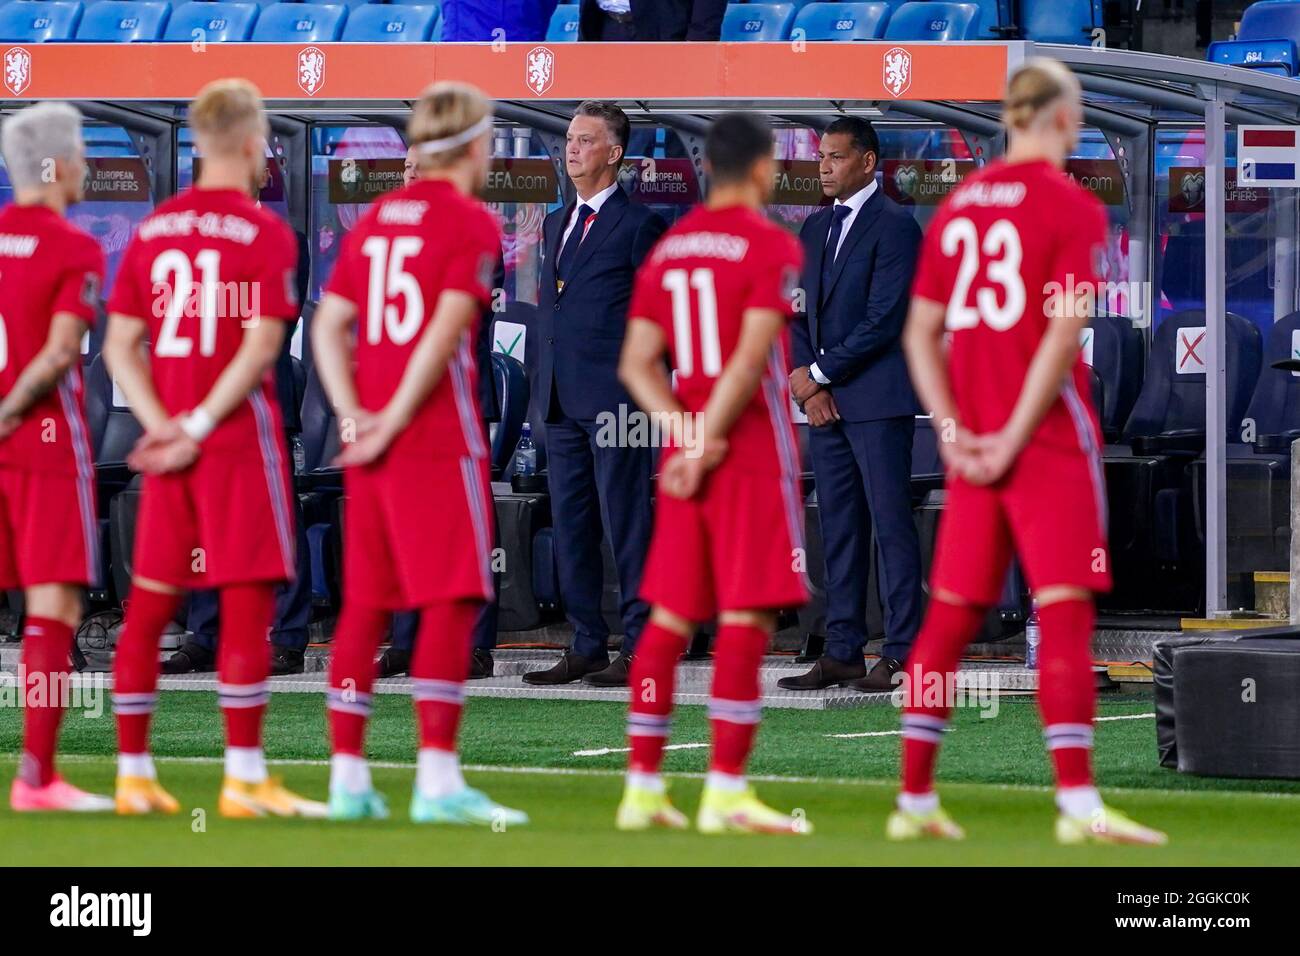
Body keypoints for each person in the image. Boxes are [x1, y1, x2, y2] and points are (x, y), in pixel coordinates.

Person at [888, 58, 1165, 846]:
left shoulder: (958, 209)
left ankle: (914, 796)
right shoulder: (1070, 207)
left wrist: (954, 430)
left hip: (970, 443)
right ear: (1060, 118)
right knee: (1065, 610)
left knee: (946, 620)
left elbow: (920, 334)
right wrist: (1011, 435)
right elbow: (1064, 331)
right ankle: (1077, 803)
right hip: (1042, 442)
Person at [105, 78, 324, 819]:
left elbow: (119, 346)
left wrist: (160, 421)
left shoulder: (155, 228)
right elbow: (265, 345)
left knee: (148, 609)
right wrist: (196, 426)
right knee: (243, 605)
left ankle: (133, 775)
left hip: (164, 443)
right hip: (232, 442)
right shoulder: (265, 233)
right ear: (254, 143)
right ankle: (242, 777)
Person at [311, 81, 527, 826]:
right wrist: (396, 415)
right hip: (435, 442)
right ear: (470, 145)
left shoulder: (373, 223)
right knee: (452, 597)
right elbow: (442, 335)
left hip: (370, 443)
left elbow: (327, 327)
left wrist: (354, 414)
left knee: (366, 604)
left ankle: (347, 779)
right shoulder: (468, 222)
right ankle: (436, 779)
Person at [615, 113, 810, 835]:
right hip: (746, 452)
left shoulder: (670, 249)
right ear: (761, 169)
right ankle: (725, 789)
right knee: (744, 615)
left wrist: (681, 431)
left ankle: (642, 787)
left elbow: (637, 362)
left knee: (668, 616)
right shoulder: (768, 244)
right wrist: (708, 440)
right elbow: (753, 358)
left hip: (681, 454)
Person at [523, 101, 666, 688]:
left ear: (614, 153)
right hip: (558, 398)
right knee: (573, 525)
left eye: (585, 140)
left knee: (625, 522)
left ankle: (639, 646)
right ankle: (585, 642)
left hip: (617, 402)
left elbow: (658, 317)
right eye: (569, 140)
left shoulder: (640, 226)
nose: (571, 149)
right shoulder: (557, 222)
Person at [780, 116, 924, 694]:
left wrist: (816, 375)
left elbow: (883, 320)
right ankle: (841, 649)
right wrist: (811, 385)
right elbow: (795, 310)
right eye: (821, 157)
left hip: (877, 402)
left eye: (836, 158)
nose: (824, 167)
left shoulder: (897, 227)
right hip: (827, 405)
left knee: (890, 528)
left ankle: (901, 653)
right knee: (838, 529)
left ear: (867, 162)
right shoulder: (812, 228)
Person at [0, 103, 113, 812]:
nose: (83, 165)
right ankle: (37, 775)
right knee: (53, 607)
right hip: (38, 444)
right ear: (54, 165)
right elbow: (62, 349)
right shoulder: (74, 248)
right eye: (76, 151)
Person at [377, 145, 503, 681]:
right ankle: (407, 640)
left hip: (455, 405)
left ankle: (474, 645)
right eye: (405, 167)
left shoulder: (473, 232)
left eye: (420, 167)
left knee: (464, 530)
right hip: (398, 407)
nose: (409, 175)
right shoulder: (385, 237)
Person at [579, 0, 725, 40]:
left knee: (659, 104)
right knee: (605, 104)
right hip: (604, 25)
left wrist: (700, 39)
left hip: (666, 31)